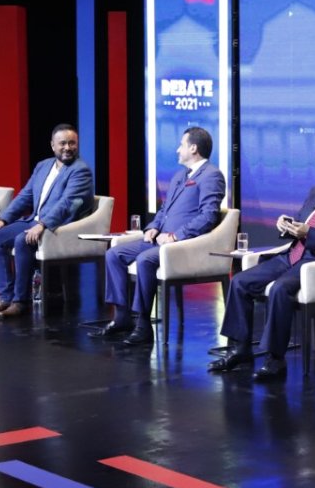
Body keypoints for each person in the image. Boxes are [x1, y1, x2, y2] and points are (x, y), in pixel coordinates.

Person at [210, 145, 315, 380]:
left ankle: (275, 360)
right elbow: (301, 223)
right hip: (292, 255)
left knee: (279, 289)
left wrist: (308, 233)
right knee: (241, 282)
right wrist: (287, 226)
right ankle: (239, 349)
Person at [94, 126, 226, 346]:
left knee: (145, 260)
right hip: (159, 240)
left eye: (181, 145)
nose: (177, 150)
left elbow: (209, 216)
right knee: (114, 254)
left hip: (183, 246)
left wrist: (176, 236)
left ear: (193, 148)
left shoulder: (211, 175)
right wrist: (152, 228)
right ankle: (122, 317)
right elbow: (164, 210)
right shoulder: (179, 176)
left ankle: (144, 326)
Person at [0, 124, 93, 318]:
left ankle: (20, 301)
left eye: (72, 143)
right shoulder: (43, 166)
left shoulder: (80, 170)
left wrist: (42, 224)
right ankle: (5, 297)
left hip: (59, 226)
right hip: (34, 221)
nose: (68, 147)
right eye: (63, 143)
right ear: (53, 145)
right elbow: (25, 195)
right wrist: (4, 219)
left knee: (22, 240)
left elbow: (67, 204)